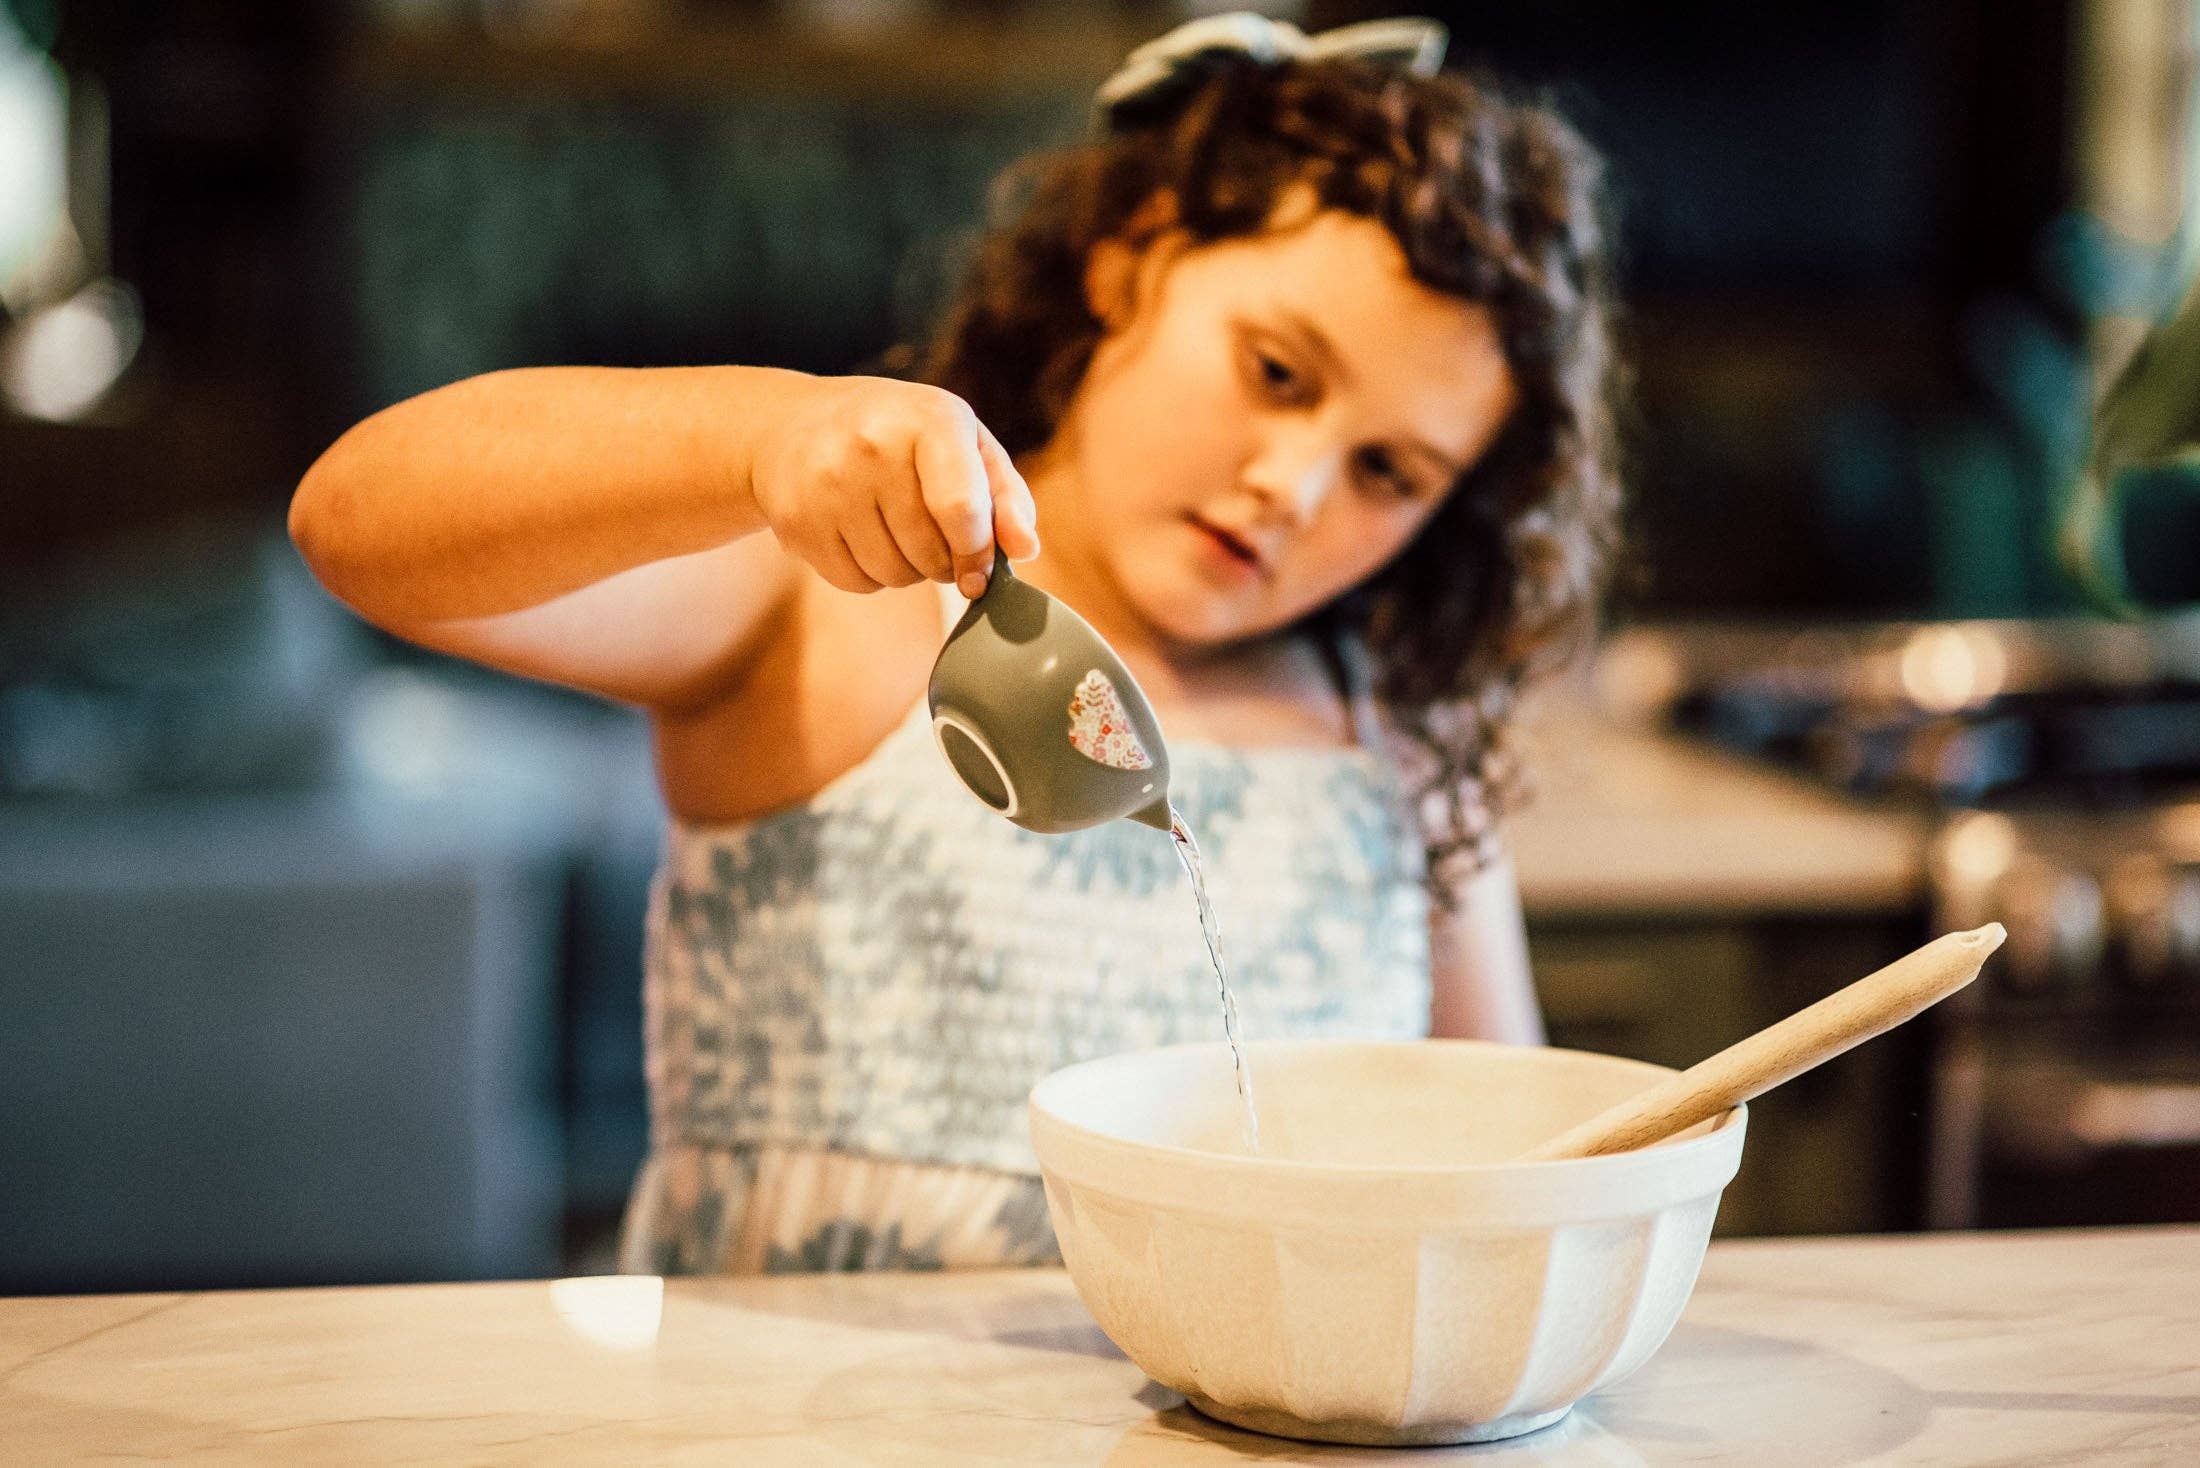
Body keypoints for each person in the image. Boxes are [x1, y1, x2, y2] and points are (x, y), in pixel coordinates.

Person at [288, 13, 1621, 1275]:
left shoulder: (1403, 744)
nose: (1297, 486)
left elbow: (1509, 1180)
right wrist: (759, 444)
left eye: (1389, 470)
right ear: (1132, 258)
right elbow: (354, 521)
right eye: (1277, 372)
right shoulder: (821, 605)